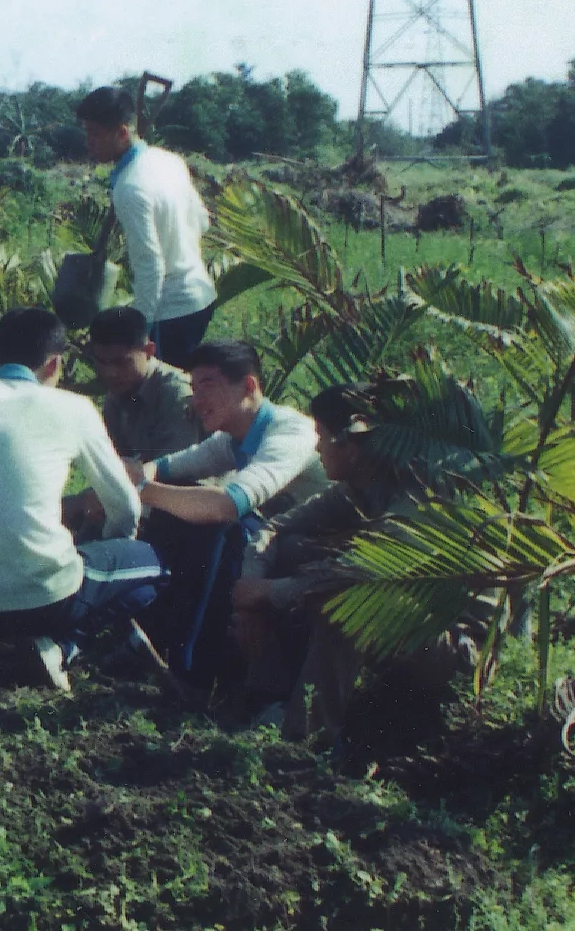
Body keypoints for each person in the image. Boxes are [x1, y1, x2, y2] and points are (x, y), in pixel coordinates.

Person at [0, 307, 167, 685]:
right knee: (154, 569)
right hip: (51, 600)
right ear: (55, 364)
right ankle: (65, 645)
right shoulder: (74, 407)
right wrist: (109, 543)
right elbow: (124, 504)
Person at [229, 381, 414, 736]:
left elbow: (364, 577)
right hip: (398, 611)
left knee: (346, 606)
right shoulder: (357, 490)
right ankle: (264, 699)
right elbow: (274, 529)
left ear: (352, 448)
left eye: (322, 436)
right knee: (294, 548)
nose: (317, 447)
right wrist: (251, 595)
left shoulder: (413, 498)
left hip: (454, 638)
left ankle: (304, 736)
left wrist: (268, 591)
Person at [135, 339, 327, 682]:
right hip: (273, 546)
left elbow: (226, 506)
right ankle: (163, 642)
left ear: (249, 385)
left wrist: (141, 491)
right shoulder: (231, 438)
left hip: (315, 553)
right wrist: (141, 481)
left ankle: (196, 664)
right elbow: (164, 467)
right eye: (193, 388)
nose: (197, 400)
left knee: (217, 524)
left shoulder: (289, 431)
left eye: (208, 386)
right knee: (182, 509)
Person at [74, 85, 216, 365]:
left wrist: (139, 333)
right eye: (87, 133)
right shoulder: (169, 160)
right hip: (201, 296)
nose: (89, 142)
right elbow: (202, 221)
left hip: (170, 311)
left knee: (161, 398)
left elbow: (150, 266)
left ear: (122, 133)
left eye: (96, 135)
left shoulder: (130, 187)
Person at [82, 307, 203, 476]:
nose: (110, 373)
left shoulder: (175, 393)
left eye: (121, 362)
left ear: (149, 351)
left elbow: (178, 471)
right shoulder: (117, 393)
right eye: (102, 362)